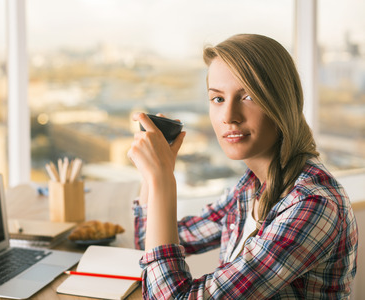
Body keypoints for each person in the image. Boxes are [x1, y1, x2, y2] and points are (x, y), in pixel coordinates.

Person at [127, 34, 358, 299]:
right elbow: (149, 240)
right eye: (218, 99)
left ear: (281, 103)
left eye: (248, 96)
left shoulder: (312, 205)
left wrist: (162, 180)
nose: (229, 117)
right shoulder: (252, 185)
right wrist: (154, 167)